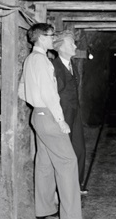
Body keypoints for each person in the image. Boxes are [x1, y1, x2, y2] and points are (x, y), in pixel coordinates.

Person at [18, 23, 82, 219]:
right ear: (42, 38)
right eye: (50, 35)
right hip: (50, 116)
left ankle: (44, 209)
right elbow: (49, 94)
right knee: (68, 162)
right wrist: (61, 120)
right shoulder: (43, 61)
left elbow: (22, 90)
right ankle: (71, 215)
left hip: (37, 116)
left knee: (45, 162)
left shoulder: (30, 60)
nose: (53, 38)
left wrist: (36, 104)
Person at [51, 31, 87, 194]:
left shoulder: (72, 66)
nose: (75, 46)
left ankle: (77, 185)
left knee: (79, 149)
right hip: (62, 115)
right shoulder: (54, 67)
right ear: (60, 47)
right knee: (65, 154)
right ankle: (63, 190)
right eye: (71, 43)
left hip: (75, 113)